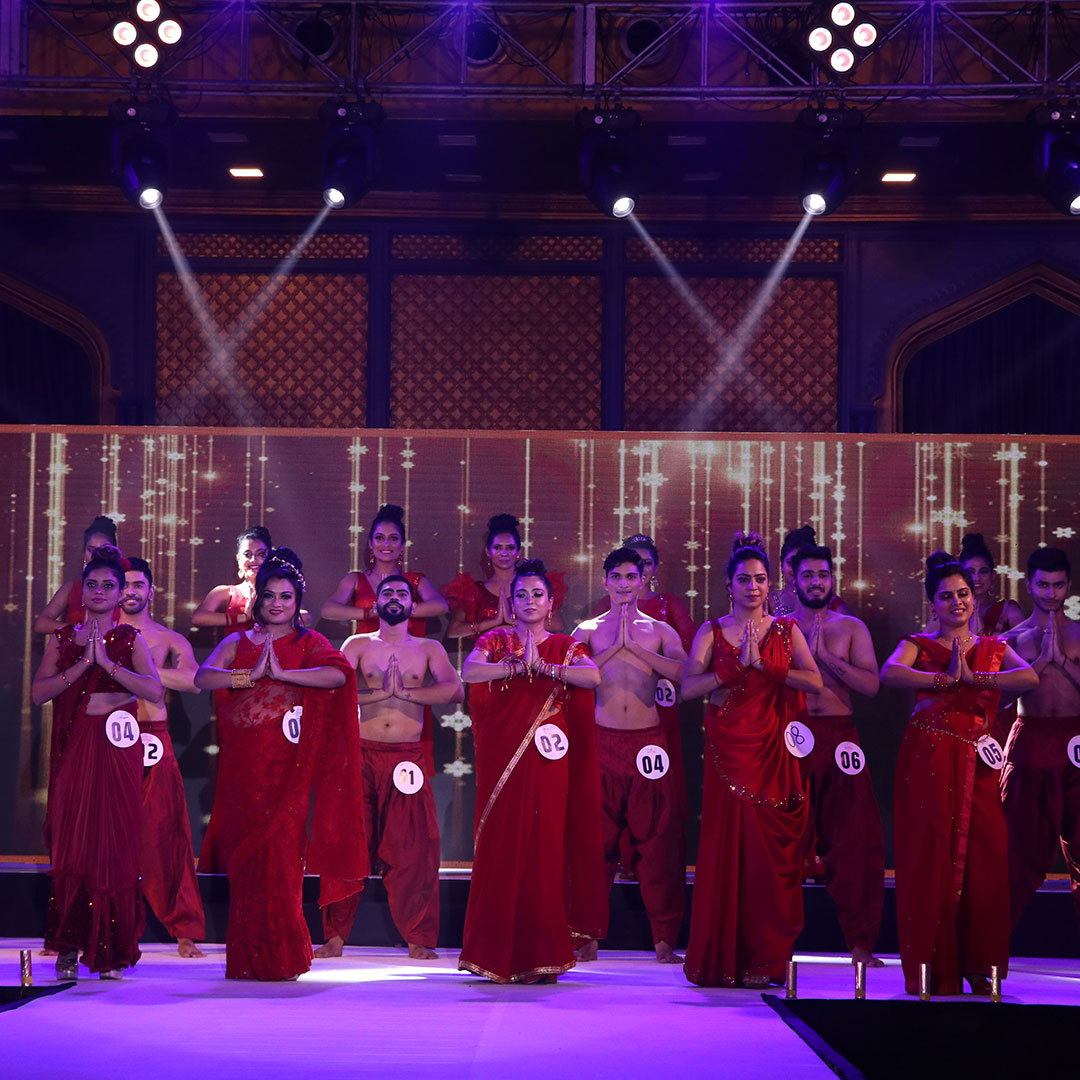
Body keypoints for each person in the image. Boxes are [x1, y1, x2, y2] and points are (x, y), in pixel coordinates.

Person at [195, 549, 368, 980]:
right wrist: (249, 676)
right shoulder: (238, 641)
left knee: (282, 860)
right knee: (247, 864)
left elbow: (338, 675)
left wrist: (284, 674)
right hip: (243, 768)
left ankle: (282, 958)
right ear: (258, 600)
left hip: (290, 770)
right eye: (269, 595)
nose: (277, 603)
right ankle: (248, 959)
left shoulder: (310, 644)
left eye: (286, 596)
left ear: (297, 601)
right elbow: (203, 677)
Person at [881, 551, 1036, 996]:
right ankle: (934, 968)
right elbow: (890, 673)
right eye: (947, 596)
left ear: (974, 596)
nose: (957, 602)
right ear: (933, 603)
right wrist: (943, 681)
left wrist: (977, 679)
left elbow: (1029, 680)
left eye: (963, 593)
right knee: (929, 856)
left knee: (985, 855)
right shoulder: (919, 644)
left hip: (976, 764)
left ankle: (978, 965)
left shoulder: (992, 648)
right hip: (927, 761)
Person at [681, 533, 822, 988]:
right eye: (744, 579)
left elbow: (814, 682)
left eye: (761, 579)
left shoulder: (786, 630)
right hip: (728, 753)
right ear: (729, 584)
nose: (754, 587)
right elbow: (688, 688)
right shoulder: (711, 631)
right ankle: (722, 959)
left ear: (770, 584)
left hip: (773, 755)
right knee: (727, 852)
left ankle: (764, 960)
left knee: (768, 857)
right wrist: (732, 668)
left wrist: (766, 666)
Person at [458, 559, 606, 983]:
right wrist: (513, 667)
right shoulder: (495, 640)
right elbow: (470, 671)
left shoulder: (565, 646)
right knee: (501, 846)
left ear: (550, 602)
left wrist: (546, 669)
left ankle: (542, 954)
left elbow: (592, 677)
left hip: (547, 762)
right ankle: (493, 955)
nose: (529, 601)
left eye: (537, 594)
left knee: (545, 847)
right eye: (520, 595)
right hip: (502, 760)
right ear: (510, 601)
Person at [32, 546, 163, 980]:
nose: (100, 591)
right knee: (74, 844)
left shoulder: (130, 639)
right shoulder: (63, 639)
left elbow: (154, 690)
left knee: (115, 842)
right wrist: (84, 664)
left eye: (109, 585)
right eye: (92, 584)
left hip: (117, 749)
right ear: (82, 591)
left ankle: (112, 950)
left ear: (121, 592)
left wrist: (106, 663)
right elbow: (38, 693)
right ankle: (69, 947)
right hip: (75, 748)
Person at [317, 575, 464, 960]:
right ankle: (335, 936)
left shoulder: (429, 648)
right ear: (376, 603)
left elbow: (455, 690)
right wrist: (381, 694)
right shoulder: (357, 644)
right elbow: (334, 690)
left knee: (414, 851)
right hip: (360, 755)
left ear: (413, 606)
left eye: (402, 593)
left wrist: (407, 693)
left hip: (406, 758)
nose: (395, 597)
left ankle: (418, 938)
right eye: (388, 593)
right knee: (348, 843)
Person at [572, 547, 688, 964]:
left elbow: (685, 674)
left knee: (657, 845)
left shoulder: (660, 630)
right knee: (595, 844)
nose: (623, 584)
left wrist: (636, 648)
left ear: (643, 581)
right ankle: (586, 936)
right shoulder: (586, 630)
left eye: (631, 577)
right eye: (616, 577)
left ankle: (664, 940)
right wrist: (614, 647)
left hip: (648, 744)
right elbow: (574, 677)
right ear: (605, 581)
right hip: (602, 742)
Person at [789, 544, 885, 967]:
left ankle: (861, 944)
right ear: (793, 580)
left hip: (841, 737)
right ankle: (773, 945)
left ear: (832, 579)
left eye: (823, 575)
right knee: (784, 842)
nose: (816, 582)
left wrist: (825, 658)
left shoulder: (851, 627)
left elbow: (871, 686)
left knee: (854, 841)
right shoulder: (780, 627)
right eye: (808, 575)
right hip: (792, 737)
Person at [118, 557, 207, 958]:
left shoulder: (169, 639)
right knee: (106, 834)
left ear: (151, 592)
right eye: (124, 584)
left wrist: (141, 670)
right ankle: (102, 926)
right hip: (109, 738)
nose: (130, 591)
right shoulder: (98, 635)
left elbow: (194, 680)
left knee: (165, 834)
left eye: (138, 584)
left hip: (154, 737)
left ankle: (183, 928)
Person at [1000, 546, 1080, 932]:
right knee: (1018, 847)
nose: (1051, 593)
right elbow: (998, 699)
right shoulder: (1011, 640)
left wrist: (1062, 662)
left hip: (1075, 739)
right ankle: (992, 950)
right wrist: (1037, 666)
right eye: (1043, 585)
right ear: (1029, 585)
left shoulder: (1079, 634)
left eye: (1058, 585)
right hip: (1030, 737)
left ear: (1069, 586)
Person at [321, 504, 448, 637]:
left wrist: (399, 611)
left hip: (407, 648)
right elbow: (328, 610)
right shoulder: (355, 580)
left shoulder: (415, 581)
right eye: (379, 538)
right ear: (371, 543)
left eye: (393, 538)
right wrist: (371, 613)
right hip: (366, 648)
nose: (386, 544)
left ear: (402, 545)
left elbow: (441, 606)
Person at [444, 513, 566, 641]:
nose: (504, 553)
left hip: (529, 651)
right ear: (488, 551)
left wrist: (512, 622)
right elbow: (453, 631)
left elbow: (557, 624)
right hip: (487, 652)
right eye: (497, 547)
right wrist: (494, 622)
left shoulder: (532, 585)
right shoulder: (475, 591)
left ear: (518, 552)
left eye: (510, 547)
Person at [958, 533, 1025, 748]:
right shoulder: (951, 614)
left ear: (992, 575)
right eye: (970, 572)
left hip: (1000, 705)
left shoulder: (1008, 611)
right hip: (960, 705)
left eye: (983, 571)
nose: (977, 578)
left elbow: (1026, 664)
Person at [34, 515, 119, 633]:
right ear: (84, 552)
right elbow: (41, 624)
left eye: (103, 549)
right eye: (91, 550)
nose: (96, 555)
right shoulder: (72, 587)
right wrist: (80, 632)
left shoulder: (124, 586)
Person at [190, 526, 273, 632]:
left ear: (270, 557)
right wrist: (243, 617)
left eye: (260, 554)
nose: (253, 559)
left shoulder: (281, 593)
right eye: (247, 554)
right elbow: (198, 618)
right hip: (234, 643)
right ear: (239, 559)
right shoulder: (226, 592)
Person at [769, 525, 854, 618]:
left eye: (803, 565)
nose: (797, 570)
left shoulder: (834, 605)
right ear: (782, 565)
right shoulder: (769, 601)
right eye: (791, 563)